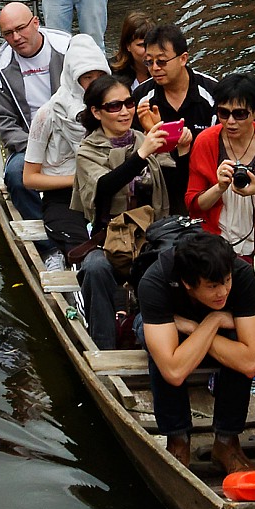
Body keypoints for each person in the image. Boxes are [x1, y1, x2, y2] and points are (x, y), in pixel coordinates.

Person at [137, 231, 255, 473]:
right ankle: (178, 439)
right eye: (212, 286)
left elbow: (251, 362)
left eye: (226, 281)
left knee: (238, 346)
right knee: (160, 355)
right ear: (187, 283)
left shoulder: (242, 275)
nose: (223, 292)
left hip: (203, 329)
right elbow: (174, 370)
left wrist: (207, 324)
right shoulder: (155, 281)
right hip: (170, 329)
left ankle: (227, 441)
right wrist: (212, 322)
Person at [72, 73, 170, 351]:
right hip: (109, 240)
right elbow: (103, 186)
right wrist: (141, 155)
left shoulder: (144, 139)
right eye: (114, 106)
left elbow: (173, 183)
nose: (125, 112)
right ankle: (104, 348)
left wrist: (181, 147)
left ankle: (162, 341)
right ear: (97, 112)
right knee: (95, 268)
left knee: (175, 260)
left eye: (129, 103)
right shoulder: (88, 151)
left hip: (149, 237)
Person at [185, 72, 255, 255]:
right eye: (223, 113)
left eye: (240, 114)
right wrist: (219, 188)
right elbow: (193, 204)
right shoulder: (205, 141)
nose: (230, 122)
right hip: (217, 241)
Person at [22, 34, 109, 250]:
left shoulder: (114, 110)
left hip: (105, 193)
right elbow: (29, 178)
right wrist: (79, 180)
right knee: (82, 248)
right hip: (64, 198)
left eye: (101, 76)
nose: (95, 84)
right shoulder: (48, 114)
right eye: (88, 77)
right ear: (73, 77)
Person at [0, 2, 70, 220]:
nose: (16, 37)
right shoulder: (1, 66)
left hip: (73, 135)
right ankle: (43, 230)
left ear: (35, 23)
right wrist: (35, 148)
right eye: (8, 33)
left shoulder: (67, 49)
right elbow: (2, 120)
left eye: (20, 28)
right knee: (17, 176)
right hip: (29, 142)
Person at [136, 23, 218, 215]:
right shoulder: (141, 97)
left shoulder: (212, 92)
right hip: (160, 184)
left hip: (206, 180)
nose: (155, 68)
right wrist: (150, 133)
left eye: (162, 61)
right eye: (149, 62)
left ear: (183, 59)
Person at [110, 10, 154, 96]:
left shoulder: (166, 70)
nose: (148, 51)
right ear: (128, 46)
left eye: (152, 44)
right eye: (141, 45)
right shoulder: (111, 73)